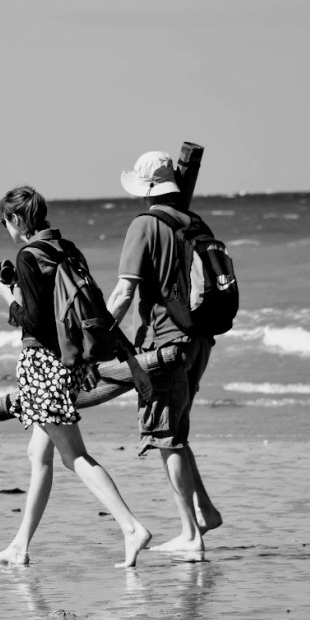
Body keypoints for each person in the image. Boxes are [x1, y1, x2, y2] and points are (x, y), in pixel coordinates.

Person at [0, 185, 152, 568]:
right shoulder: (66, 248)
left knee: (73, 455)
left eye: (4, 221)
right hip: (69, 362)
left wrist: (8, 298)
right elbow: (92, 305)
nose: (5, 228)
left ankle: (131, 527)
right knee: (37, 453)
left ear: (15, 219)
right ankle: (19, 546)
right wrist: (131, 360)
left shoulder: (28, 256)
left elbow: (36, 323)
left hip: (42, 365)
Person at [106, 151, 224, 557]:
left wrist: (96, 336)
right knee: (178, 430)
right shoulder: (194, 222)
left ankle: (190, 535)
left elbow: (123, 293)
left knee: (166, 437)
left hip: (165, 344)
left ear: (146, 191)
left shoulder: (144, 225)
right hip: (200, 339)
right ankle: (204, 511)